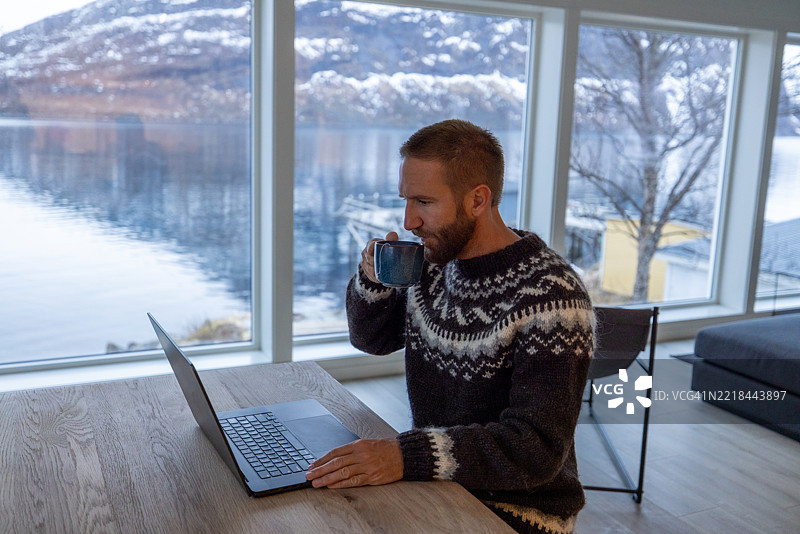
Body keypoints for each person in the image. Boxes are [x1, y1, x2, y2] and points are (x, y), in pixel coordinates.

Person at [305, 119, 594, 534]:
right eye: (405, 200)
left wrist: (404, 456)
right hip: (439, 485)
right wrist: (372, 280)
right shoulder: (433, 265)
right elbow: (372, 339)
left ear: (478, 199)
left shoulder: (552, 298)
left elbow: (535, 449)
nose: (409, 221)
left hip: (518, 513)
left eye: (423, 202)